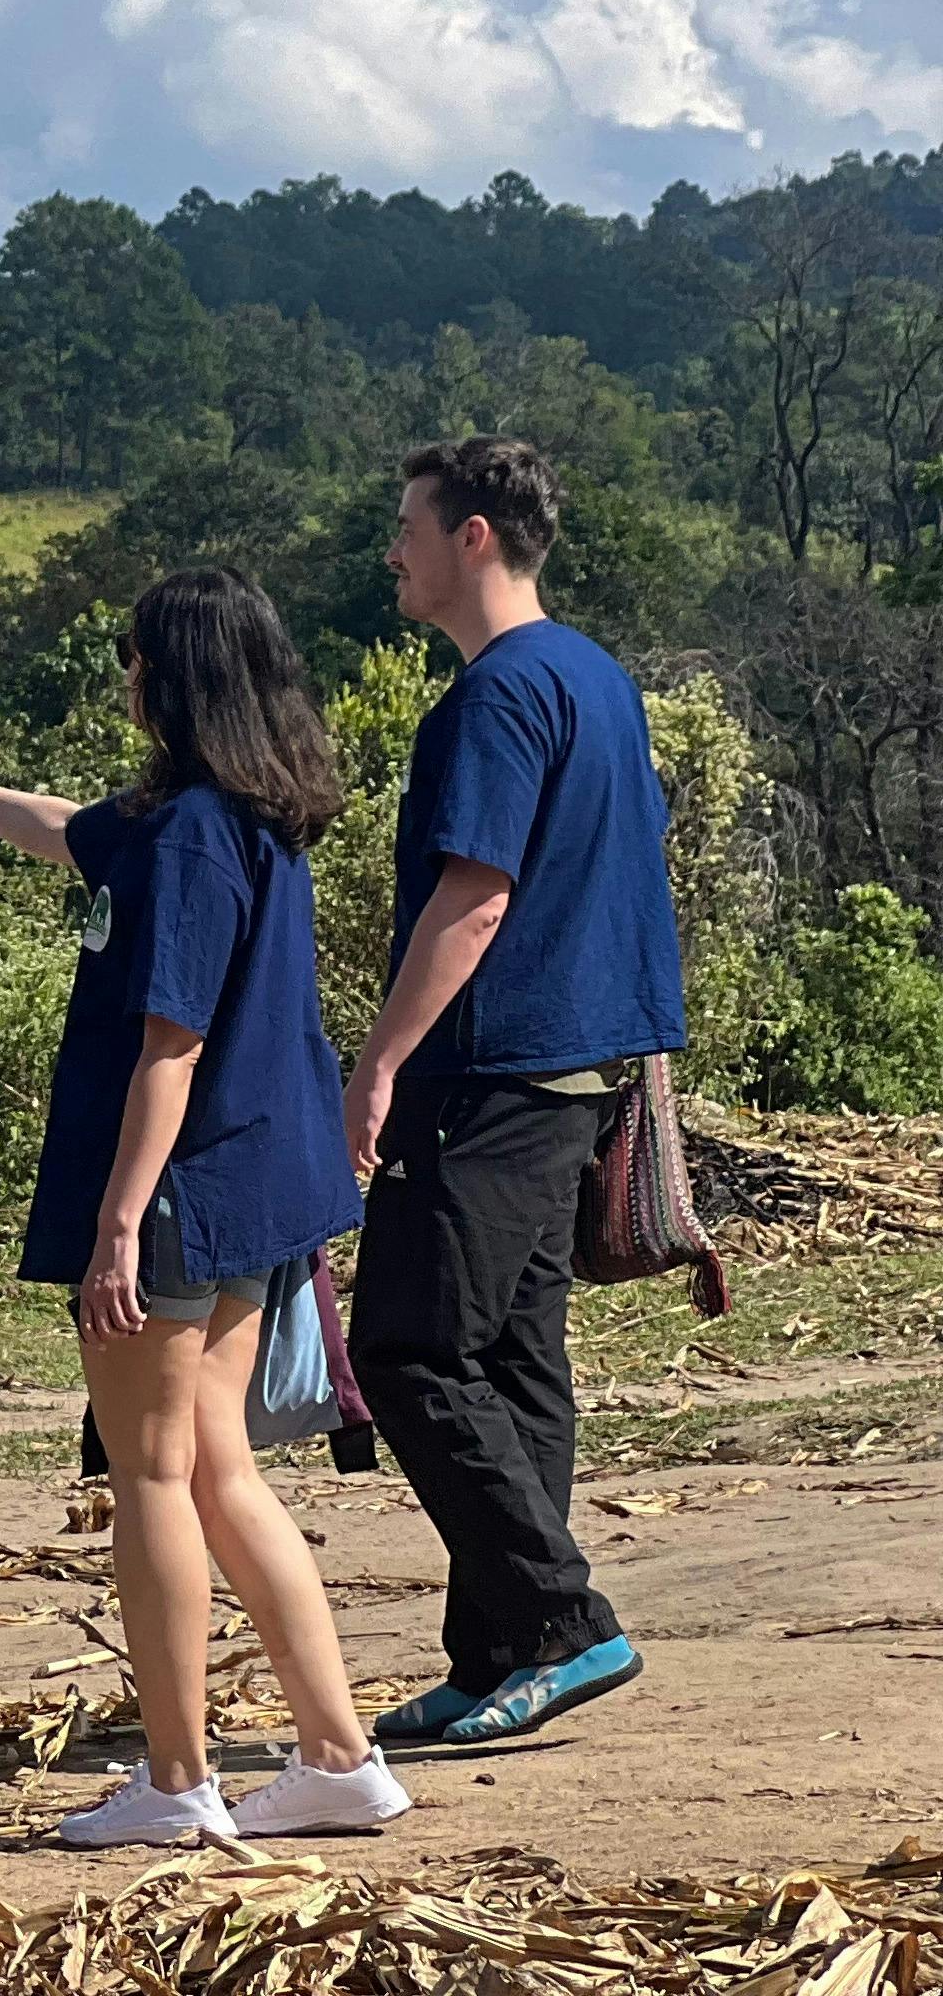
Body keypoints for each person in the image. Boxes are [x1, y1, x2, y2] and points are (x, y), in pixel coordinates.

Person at [0, 571, 411, 1847]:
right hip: (259, 1186)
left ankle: (180, 1779)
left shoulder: (191, 836)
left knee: (148, 1478)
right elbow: (70, 827)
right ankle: (338, 1755)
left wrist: (120, 1219)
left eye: (134, 656)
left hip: (181, 1190)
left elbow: (170, 1047)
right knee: (220, 1469)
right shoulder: (237, 816)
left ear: (174, 676)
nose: (123, 674)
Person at [347, 437, 681, 1746]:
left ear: (472, 536)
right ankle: (498, 1653)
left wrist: (378, 1063)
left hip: (488, 1071)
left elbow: (473, 900)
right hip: (582, 1073)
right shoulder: (596, 679)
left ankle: (562, 1620)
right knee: (514, 1358)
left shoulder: (494, 700)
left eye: (410, 524)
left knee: (412, 1352)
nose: (395, 549)